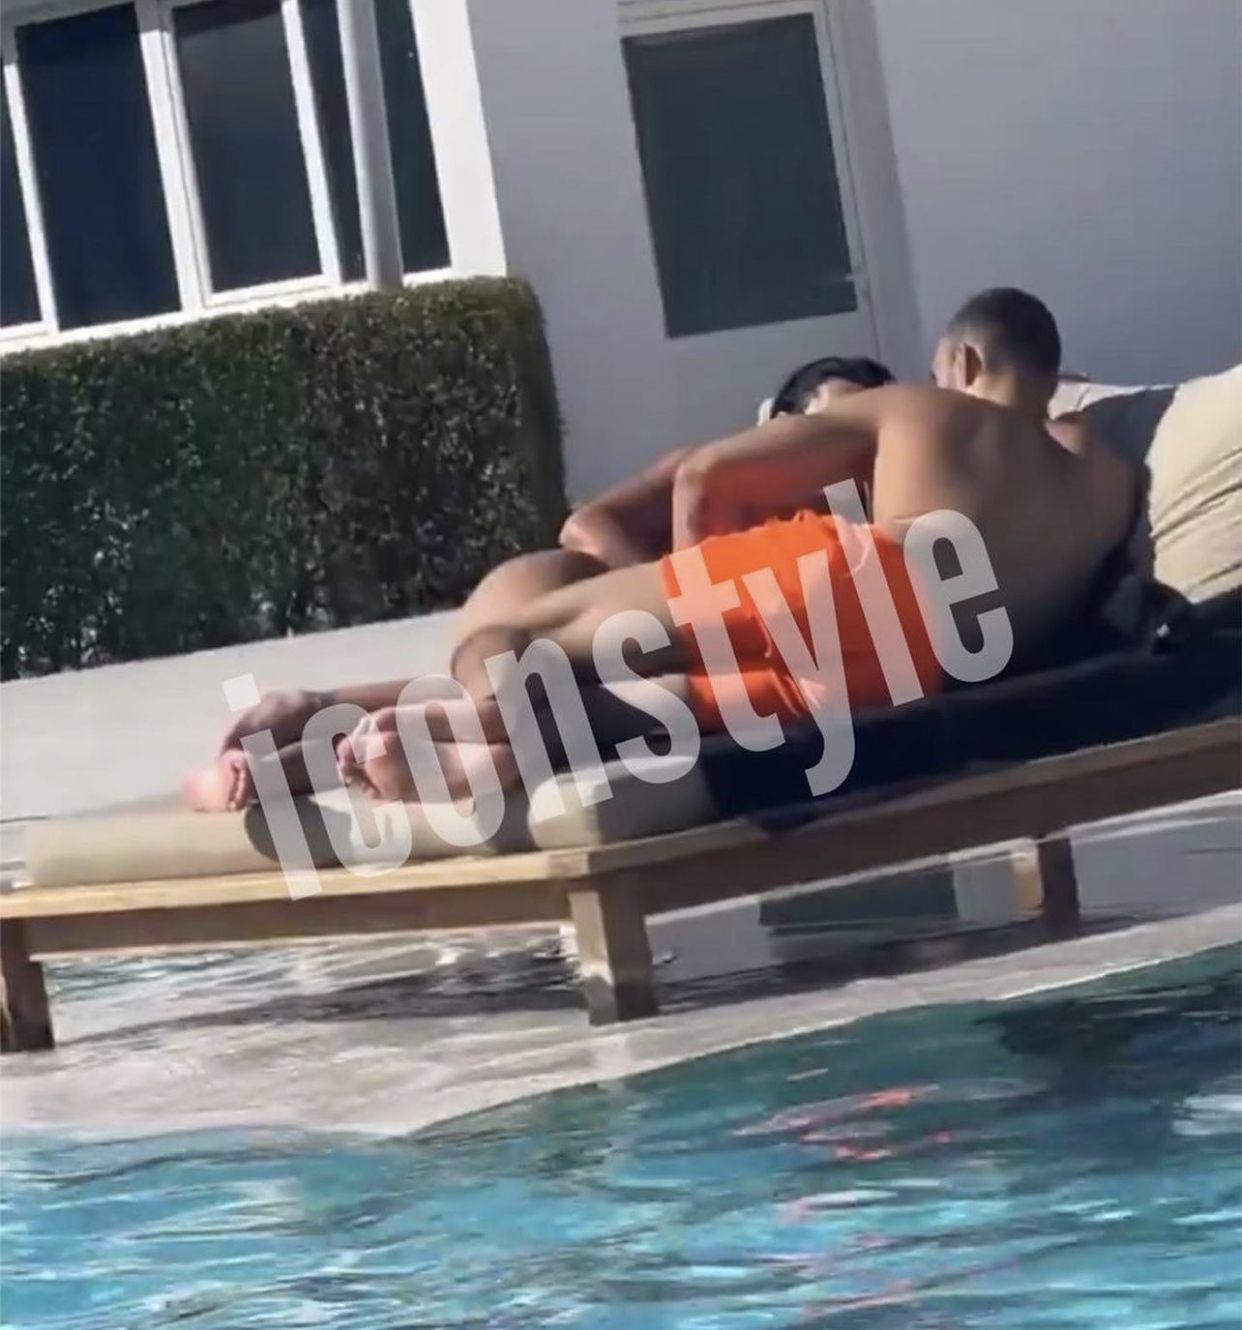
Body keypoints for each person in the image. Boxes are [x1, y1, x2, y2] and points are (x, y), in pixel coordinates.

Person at [191, 290, 1139, 810]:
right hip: (916, 676)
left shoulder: (929, 411)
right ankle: (413, 748)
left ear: (962, 363)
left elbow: (708, 478)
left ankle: (408, 726)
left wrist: (691, 593)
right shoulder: (1103, 477)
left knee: (508, 641)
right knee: (626, 706)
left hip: (861, 577)